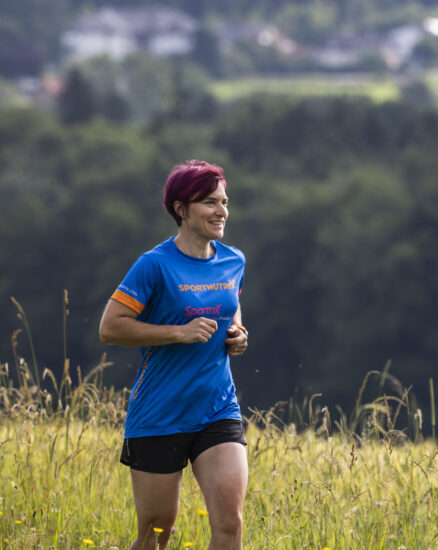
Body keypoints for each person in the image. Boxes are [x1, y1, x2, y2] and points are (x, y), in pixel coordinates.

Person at [99, 159, 251, 550]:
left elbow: (229, 306)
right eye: (209, 203)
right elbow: (110, 326)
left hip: (217, 409)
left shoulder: (233, 260)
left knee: (230, 524)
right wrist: (178, 333)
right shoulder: (154, 265)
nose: (221, 211)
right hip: (159, 414)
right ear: (181, 209)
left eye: (224, 201)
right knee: (156, 532)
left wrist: (236, 333)